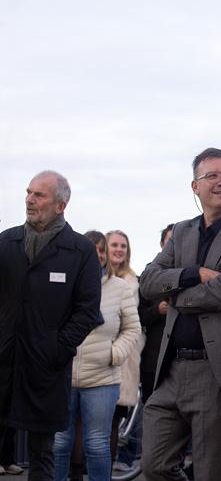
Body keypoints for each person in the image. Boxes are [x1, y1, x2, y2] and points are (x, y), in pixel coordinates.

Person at [139, 148, 221, 480]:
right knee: (153, 465)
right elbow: (149, 282)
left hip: (218, 374)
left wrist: (177, 299)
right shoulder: (181, 232)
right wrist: (192, 273)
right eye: (213, 175)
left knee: (211, 473)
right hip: (170, 371)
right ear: (195, 186)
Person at [0, 170, 102, 479]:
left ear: (61, 205)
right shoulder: (7, 241)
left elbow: (87, 312)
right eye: (28, 193)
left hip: (46, 369)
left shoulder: (80, 251)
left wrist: (55, 349)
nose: (30, 200)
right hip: (3, 363)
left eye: (39, 195)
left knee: (42, 454)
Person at [53, 230, 142, 481]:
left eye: (101, 250)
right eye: (92, 249)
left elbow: (133, 328)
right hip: (63, 376)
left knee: (96, 445)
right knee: (59, 443)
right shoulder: (62, 283)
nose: (98, 255)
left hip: (103, 378)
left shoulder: (121, 288)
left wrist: (114, 354)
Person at [105, 229, 145, 473]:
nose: (119, 249)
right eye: (114, 245)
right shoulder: (90, 277)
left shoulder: (132, 283)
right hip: (91, 360)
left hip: (122, 359)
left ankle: (104, 472)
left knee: (112, 421)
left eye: (123, 246)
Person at [138, 224, 174, 405]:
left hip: (185, 365)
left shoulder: (195, 276)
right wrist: (156, 310)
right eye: (170, 242)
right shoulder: (148, 277)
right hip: (153, 362)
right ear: (161, 245)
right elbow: (137, 317)